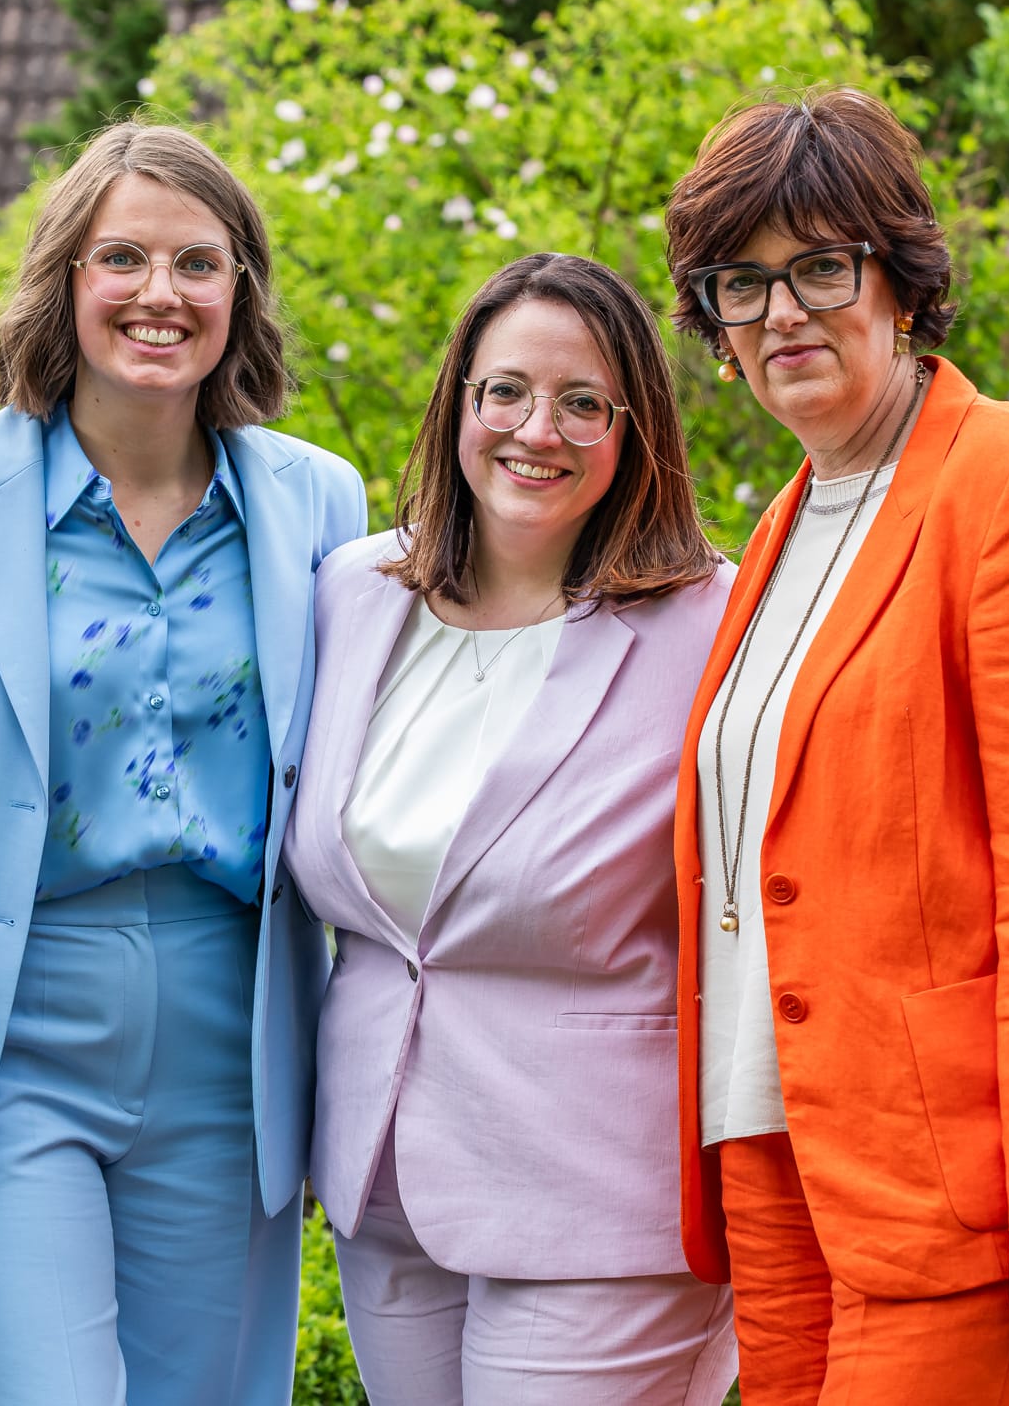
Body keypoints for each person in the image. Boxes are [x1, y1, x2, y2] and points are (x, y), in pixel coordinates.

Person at [662, 86, 1009, 1404]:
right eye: (741, 283)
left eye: (818, 267)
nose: (781, 312)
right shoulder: (780, 531)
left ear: (899, 280)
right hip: (778, 1158)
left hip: (975, 1177)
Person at [0, 121, 366, 1405]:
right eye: (119, 256)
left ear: (239, 291)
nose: (158, 293)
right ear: (63, 280)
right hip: (2, 1043)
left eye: (198, 262)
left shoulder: (320, 507)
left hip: (230, 1050)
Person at [283, 253, 738, 1404]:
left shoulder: (713, 624)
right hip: (386, 1182)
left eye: (584, 402)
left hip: (602, 1199)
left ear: (636, 428)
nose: (538, 428)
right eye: (505, 392)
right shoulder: (351, 591)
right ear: (457, 404)